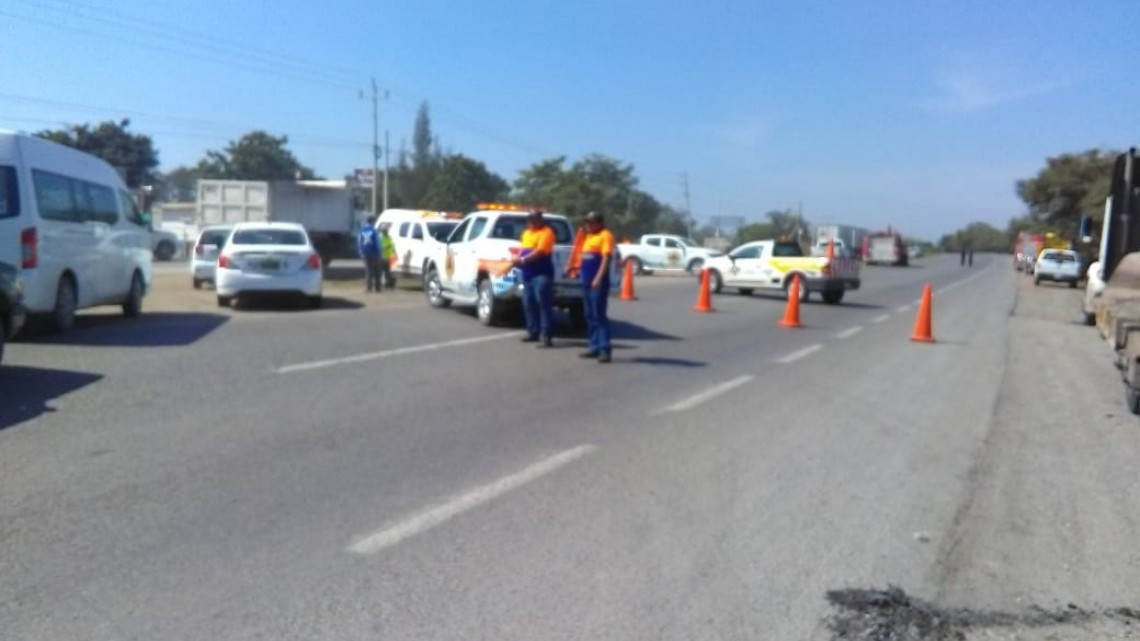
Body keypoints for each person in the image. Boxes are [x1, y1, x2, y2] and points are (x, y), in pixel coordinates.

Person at [512, 210, 556, 347]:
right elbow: (522, 249)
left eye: (534, 220)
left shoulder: (547, 232)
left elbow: (540, 252)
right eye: (530, 220)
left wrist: (523, 260)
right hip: (528, 275)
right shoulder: (526, 233)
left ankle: (546, 335)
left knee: (543, 304)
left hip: (541, 274)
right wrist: (516, 258)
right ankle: (533, 332)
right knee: (528, 304)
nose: (531, 222)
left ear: (540, 220)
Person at [577, 211, 614, 363]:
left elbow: (606, 258)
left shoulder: (605, 235)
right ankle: (594, 347)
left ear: (599, 223)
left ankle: (605, 349)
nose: (587, 226)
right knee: (589, 316)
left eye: (590, 223)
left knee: (599, 316)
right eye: (586, 223)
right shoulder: (588, 237)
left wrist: (598, 278)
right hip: (586, 282)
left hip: (597, 283)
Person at [358, 216, 382, 292]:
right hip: (374, 252)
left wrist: (360, 251)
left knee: (368, 270)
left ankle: (368, 288)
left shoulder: (362, 230)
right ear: (372, 221)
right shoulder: (374, 230)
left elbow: (359, 242)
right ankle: (377, 287)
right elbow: (378, 242)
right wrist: (380, 252)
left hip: (365, 252)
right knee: (376, 270)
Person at [378, 223, 396, 290]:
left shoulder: (388, 238)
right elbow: (380, 247)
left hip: (388, 257)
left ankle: (387, 283)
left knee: (387, 271)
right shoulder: (381, 238)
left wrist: (393, 254)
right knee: (384, 271)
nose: (386, 231)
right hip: (383, 257)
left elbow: (392, 247)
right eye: (385, 230)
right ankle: (384, 283)